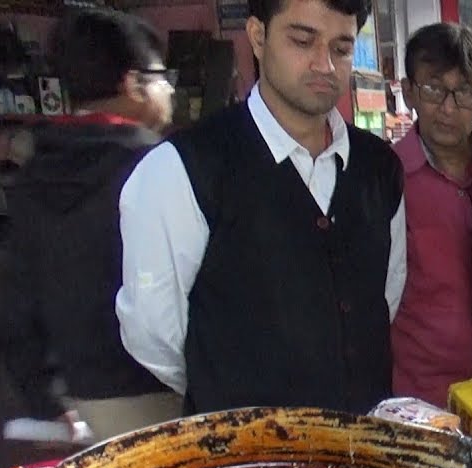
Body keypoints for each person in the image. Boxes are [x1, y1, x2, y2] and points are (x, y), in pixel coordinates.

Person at [116, 0, 407, 414]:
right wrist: (230, 379)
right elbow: (152, 333)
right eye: (303, 41)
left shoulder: (379, 168)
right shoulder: (183, 168)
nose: (324, 65)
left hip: (361, 448)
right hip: (242, 457)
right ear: (257, 36)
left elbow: (385, 295)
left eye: (341, 49)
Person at [0, 8, 181, 440]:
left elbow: (13, 317)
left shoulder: (34, 172)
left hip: (84, 406)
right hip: (169, 397)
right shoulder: (159, 168)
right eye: (159, 75)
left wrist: (46, 402)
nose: (168, 88)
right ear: (132, 84)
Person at [390, 23, 472, 407]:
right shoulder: (386, 178)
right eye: (435, 89)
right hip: (422, 399)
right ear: (409, 92)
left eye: (465, 92)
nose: (449, 108)